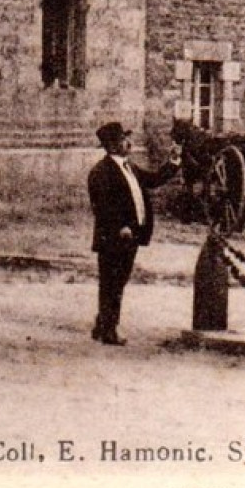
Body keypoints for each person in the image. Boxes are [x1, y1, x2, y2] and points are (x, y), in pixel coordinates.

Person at [87, 122, 179, 345]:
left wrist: (174, 163)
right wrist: (120, 227)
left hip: (131, 237)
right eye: (124, 139)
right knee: (112, 283)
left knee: (118, 281)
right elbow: (103, 206)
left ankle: (103, 323)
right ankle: (109, 330)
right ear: (112, 145)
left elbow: (153, 180)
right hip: (115, 237)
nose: (129, 143)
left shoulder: (130, 167)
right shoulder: (101, 172)